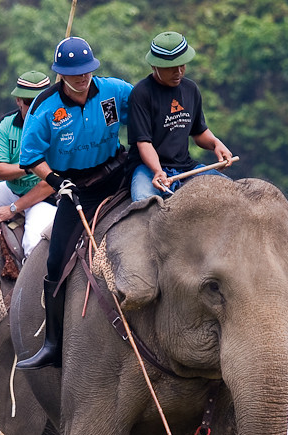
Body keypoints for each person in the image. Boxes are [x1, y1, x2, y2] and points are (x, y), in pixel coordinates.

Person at [15, 37, 133, 370]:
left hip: (117, 173)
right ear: (61, 74)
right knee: (55, 262)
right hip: (75, 188)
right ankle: (53, 343)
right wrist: (56, 182)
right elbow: (31, 157)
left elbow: (145, 108)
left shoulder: (113, 91)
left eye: (87, 71)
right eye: (75, 73)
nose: (83, 78)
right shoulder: (45, 108)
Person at [127, 31, 233, 202]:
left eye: (182, 65)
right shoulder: (142, 93)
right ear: (155, 66)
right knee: (142, 201)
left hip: (185, 167)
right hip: (148, 168)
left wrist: (216, 144)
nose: (178, 72)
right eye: (170, 68)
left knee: (231, 193)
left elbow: (199, 132)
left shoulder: (190, 89)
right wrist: (157, 171)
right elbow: (144, 142)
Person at [0, 71, 57, 258]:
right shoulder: (6, 124)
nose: (34, 109)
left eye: (40, 102)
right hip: (11, 189)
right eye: (29, 102)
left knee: (33, 245)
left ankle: (35, 287)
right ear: (18, 101)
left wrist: (13, 209)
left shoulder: (59, 127)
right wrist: (31, 167)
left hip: (44, 198)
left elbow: (49, 184)